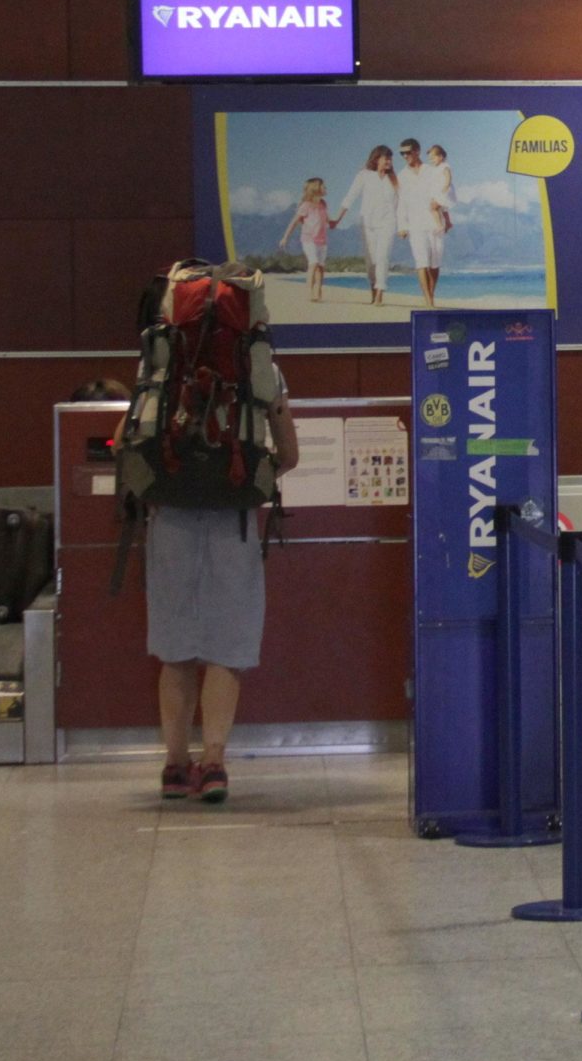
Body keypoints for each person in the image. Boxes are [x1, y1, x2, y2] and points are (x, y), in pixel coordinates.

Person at [128, 270, 300, 807]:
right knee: (226, 646)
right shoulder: (260, 366)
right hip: (234, 519)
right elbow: (289, 454)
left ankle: (174, 766)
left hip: (172, 516)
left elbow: (141, 435)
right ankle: (214, 764)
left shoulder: (161, 358)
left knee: (176, 647)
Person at [334, 145, 400, 306]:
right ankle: (373, 291)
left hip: (388, 223)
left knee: (382, 258)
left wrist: (404, 224)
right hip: (367, 224)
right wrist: (337, 219)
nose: (389, 161)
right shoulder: (364, 175)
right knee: (371, 262)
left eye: (391, 158)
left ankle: (379, 296)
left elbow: (401, 204)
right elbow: (350, 197)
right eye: (386, 158)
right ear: (377, 159)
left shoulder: (394, 180)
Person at [396, 138, 447, 307]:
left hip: (434, 221)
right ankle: (428, 301)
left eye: (408, 152)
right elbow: (401, 202)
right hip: (415, 224)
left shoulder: (431, 171)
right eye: (402, 153)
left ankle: (431, 295)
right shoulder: (402, 176)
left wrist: (446, 216)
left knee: (435, 263)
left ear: (417, 151)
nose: (405, 156)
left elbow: (442, 193)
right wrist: (402, 226)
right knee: (421, 262)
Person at [278, 177, 332, 303]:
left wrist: (333, 222)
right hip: (309, 240)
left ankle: (318, 291)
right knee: (313, 263)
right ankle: (309, 292)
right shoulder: (306, 205)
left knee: (320, 267)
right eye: (324, 186)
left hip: (322, 240)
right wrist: (285, 237)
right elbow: (294, 222)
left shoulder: (323, 204)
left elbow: (326, 220)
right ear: (316, 189)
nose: (326, 189)